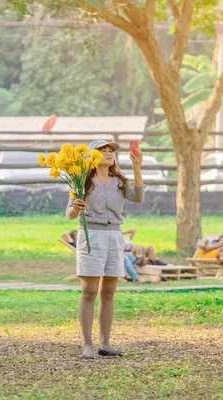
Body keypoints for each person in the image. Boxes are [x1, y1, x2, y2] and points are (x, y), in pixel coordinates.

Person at [66, 139, 144, 359]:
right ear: (92, 157)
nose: (110, 154)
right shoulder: (81, 180)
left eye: (112, 151)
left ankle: (105, 343)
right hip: (91, 234)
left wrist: (137, 169)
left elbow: (138, 197)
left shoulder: (119, 181)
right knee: (89, 291)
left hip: (114, 235)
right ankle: (87, 343)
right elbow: (69, 213)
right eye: (104, 151)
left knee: (108, 292)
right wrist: (75, 207)